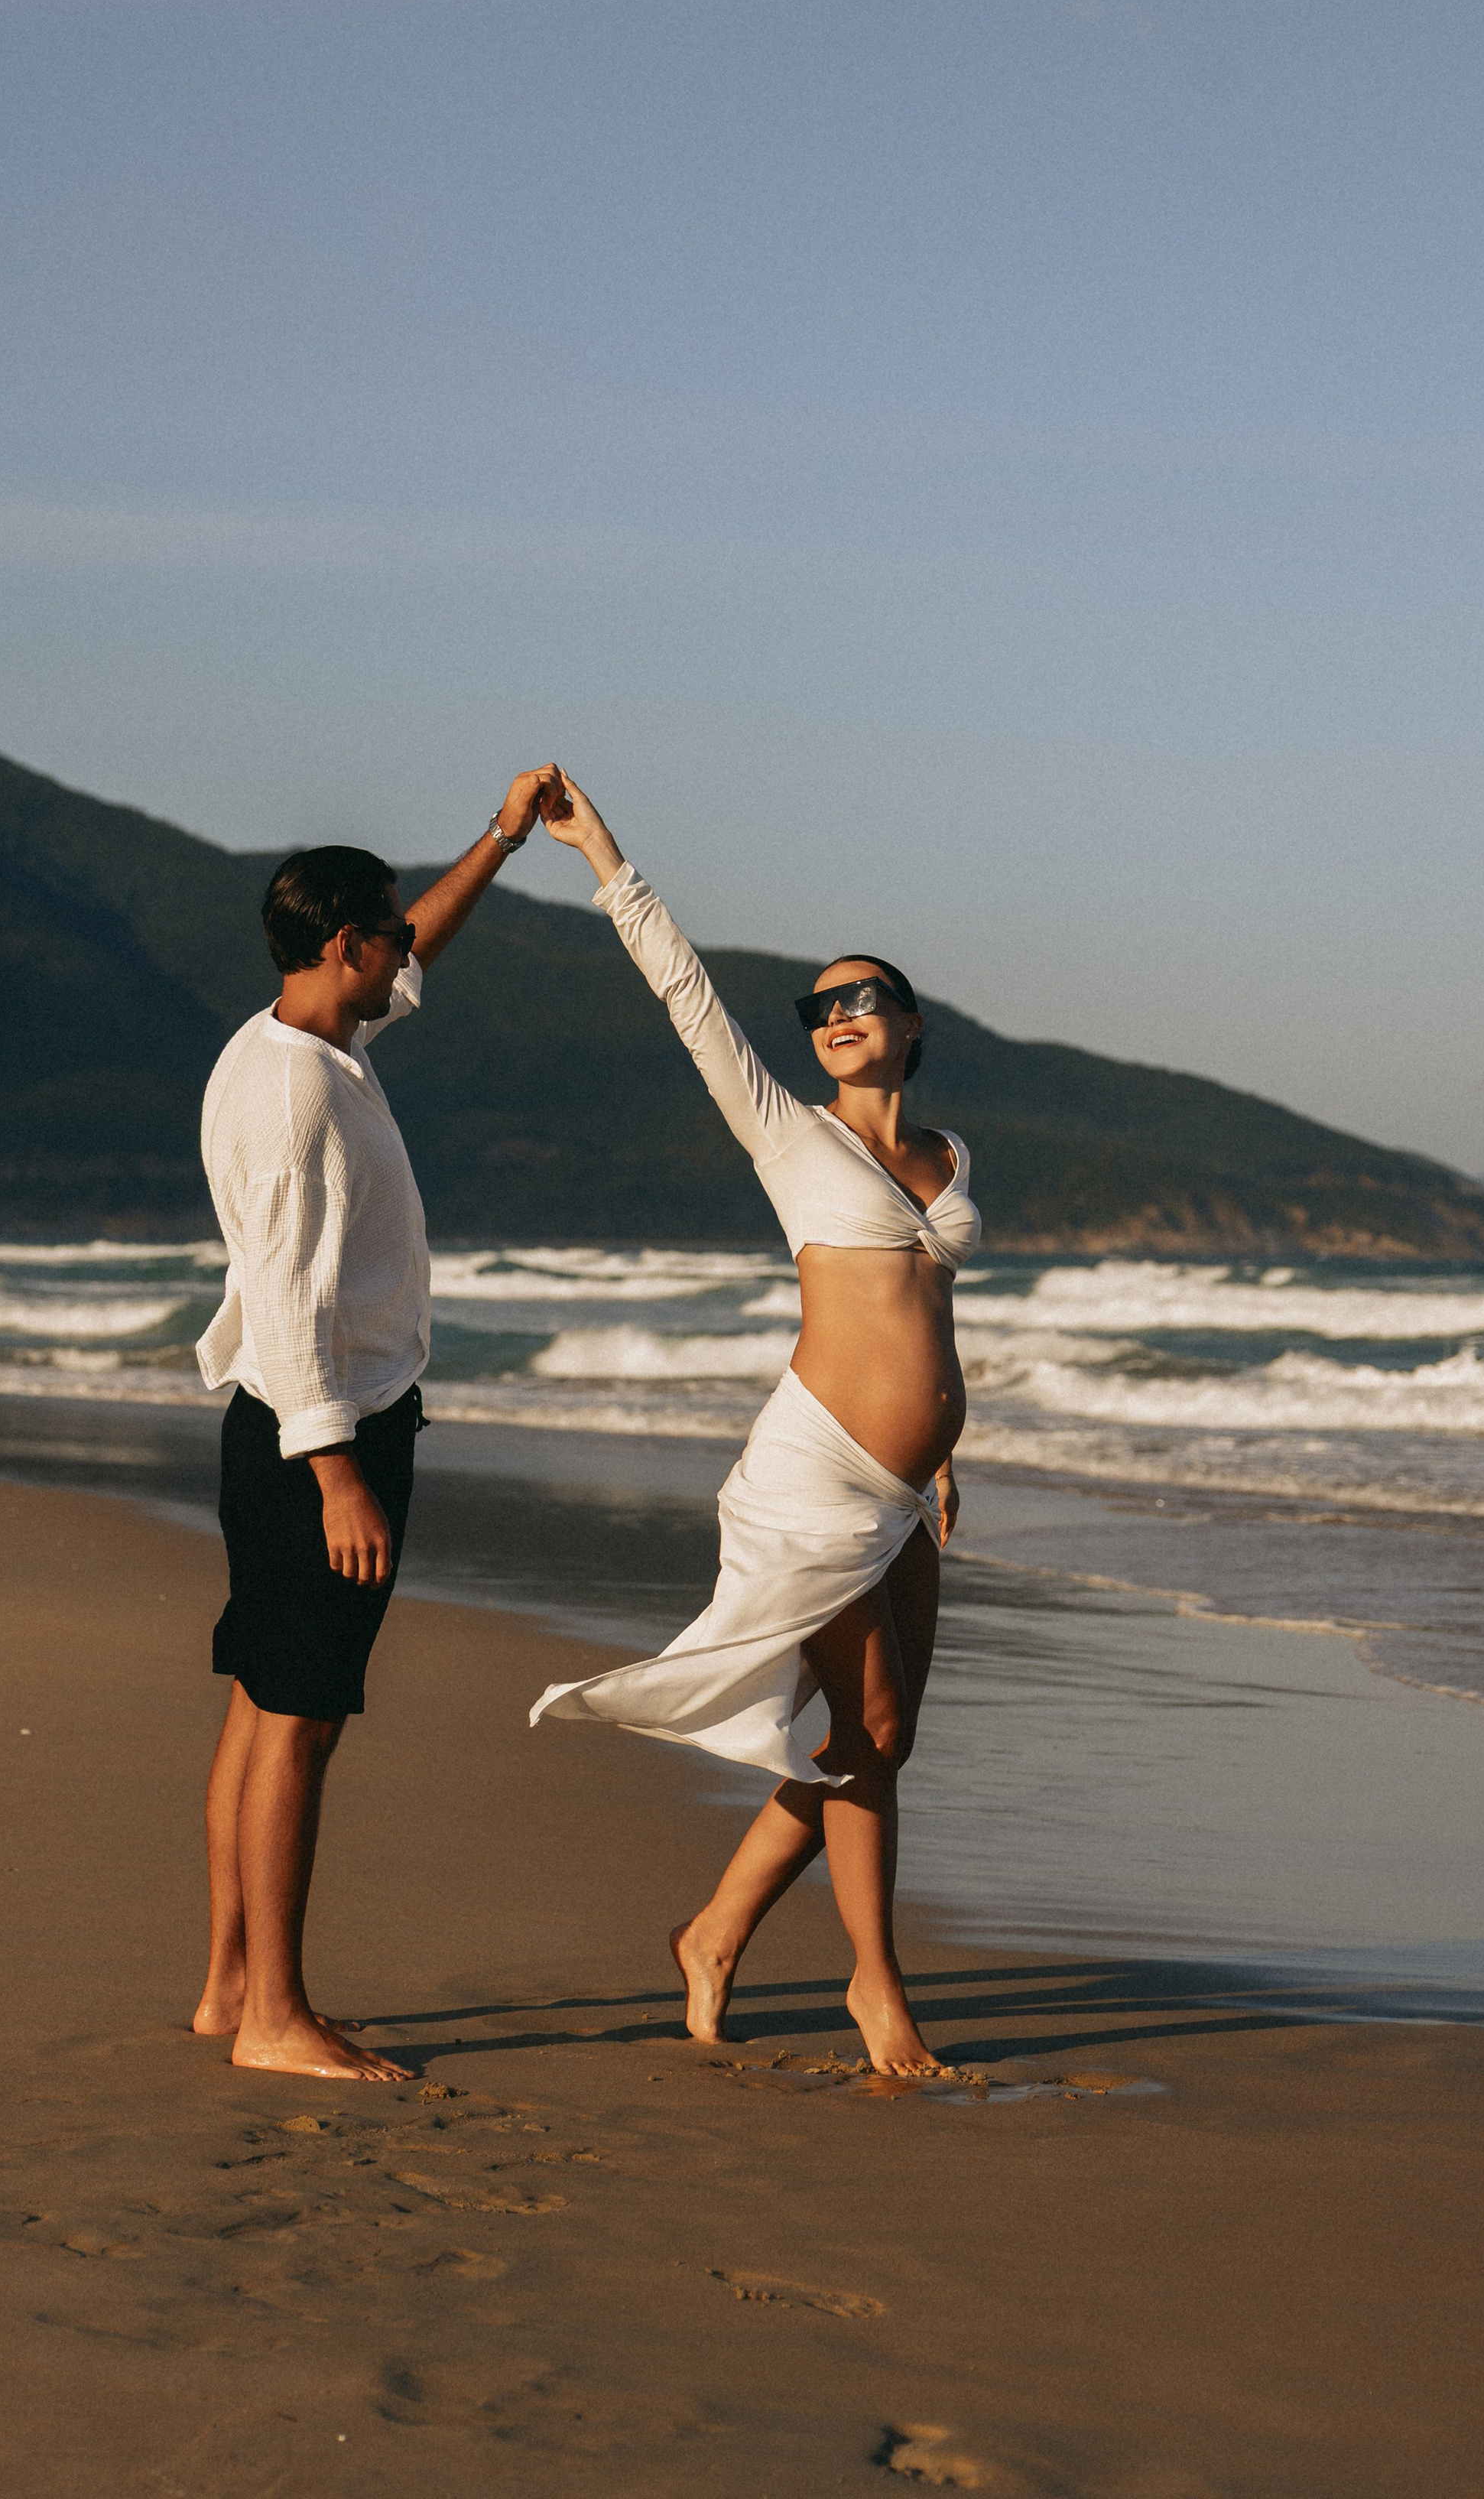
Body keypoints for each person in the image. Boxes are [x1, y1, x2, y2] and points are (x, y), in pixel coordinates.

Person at [531, 774, 979, 2075]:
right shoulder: (788, 1133)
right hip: (814, 1473)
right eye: (819, 1008)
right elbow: (687, 995)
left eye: (861, 999)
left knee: (874, 1741)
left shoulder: (954, 1157)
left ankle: (716, 1931)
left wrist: (946, 1446)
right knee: (872, 1735)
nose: (836, 1017)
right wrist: (604, 854)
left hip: (904, 1491)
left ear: (909, 1025)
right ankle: (876, 1992)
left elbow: (929, 1314)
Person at [191, 766, 560, 2083]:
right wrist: (338, 1471)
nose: (408, 952)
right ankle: (278, 2020)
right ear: (342, 945)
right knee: (297, 1720)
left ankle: (235, 1984)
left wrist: (504, 837)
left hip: (292, 1422)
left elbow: (423, 954)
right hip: (320, 1432)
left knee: (264, 1706)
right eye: (390, 934)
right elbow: (288, 1298)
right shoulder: (294, 1096)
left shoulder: (301, 1038)